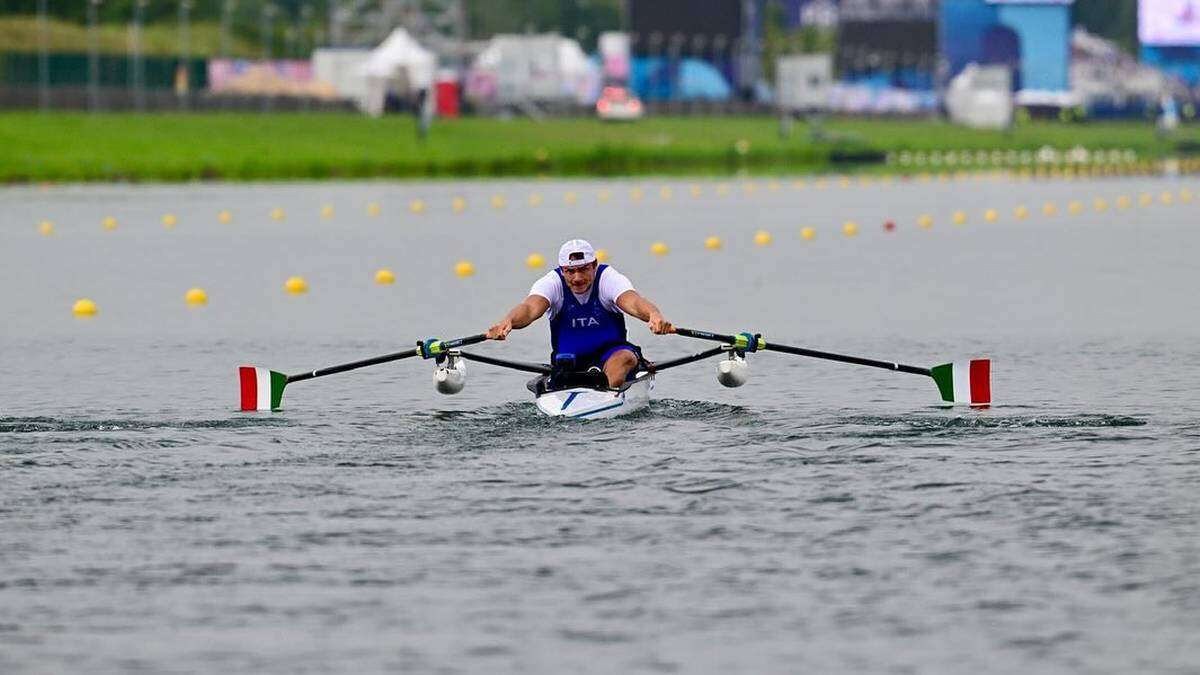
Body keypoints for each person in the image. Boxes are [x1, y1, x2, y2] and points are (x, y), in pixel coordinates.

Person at [486, 239, 673, 388]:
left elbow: (633, 302)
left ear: (594, 265)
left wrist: (653, 314)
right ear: (562, 270)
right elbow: (529, 309)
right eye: (571, 271)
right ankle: (591, 392)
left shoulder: (608, 279)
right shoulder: (551, 283)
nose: (577, 278)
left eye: (583, 269)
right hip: (569, 360)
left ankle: (606, 394)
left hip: (612, 355)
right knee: (565, 368)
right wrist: (508, 321)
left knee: (624, 358)